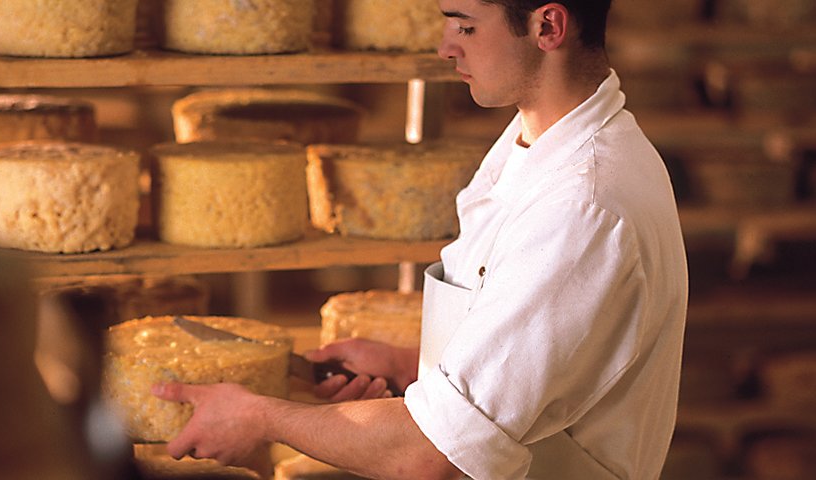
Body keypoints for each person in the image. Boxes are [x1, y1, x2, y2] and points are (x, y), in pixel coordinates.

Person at [151, 0, 689, 478]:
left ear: (548, 26)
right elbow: (546, 354)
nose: (445, 47)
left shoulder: (582, 204)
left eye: (466, 26)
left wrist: (260, 415)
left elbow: (430, 455)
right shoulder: (541, 144)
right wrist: (413, 367)